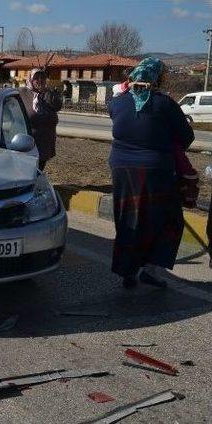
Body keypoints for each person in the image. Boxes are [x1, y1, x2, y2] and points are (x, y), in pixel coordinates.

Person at [108, 57, 195, 288]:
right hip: (156, 172)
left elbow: (120, 123)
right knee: (168, 220)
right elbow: (187, 137)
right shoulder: (164, 104)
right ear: (158, 78)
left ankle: (128, 270)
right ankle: (152, 270)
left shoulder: (117, 102)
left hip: (121, 170)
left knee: (129, 219)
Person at [18, 69, 62, 170]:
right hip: (27, 141)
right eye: (36, 78)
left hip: (45, 141)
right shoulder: (22, 93)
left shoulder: (48, 94)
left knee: (39, 169)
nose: (40, 80)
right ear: (30, 79)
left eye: (42, 78)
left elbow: (57, 106)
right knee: (27, 169)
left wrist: (49, 93)